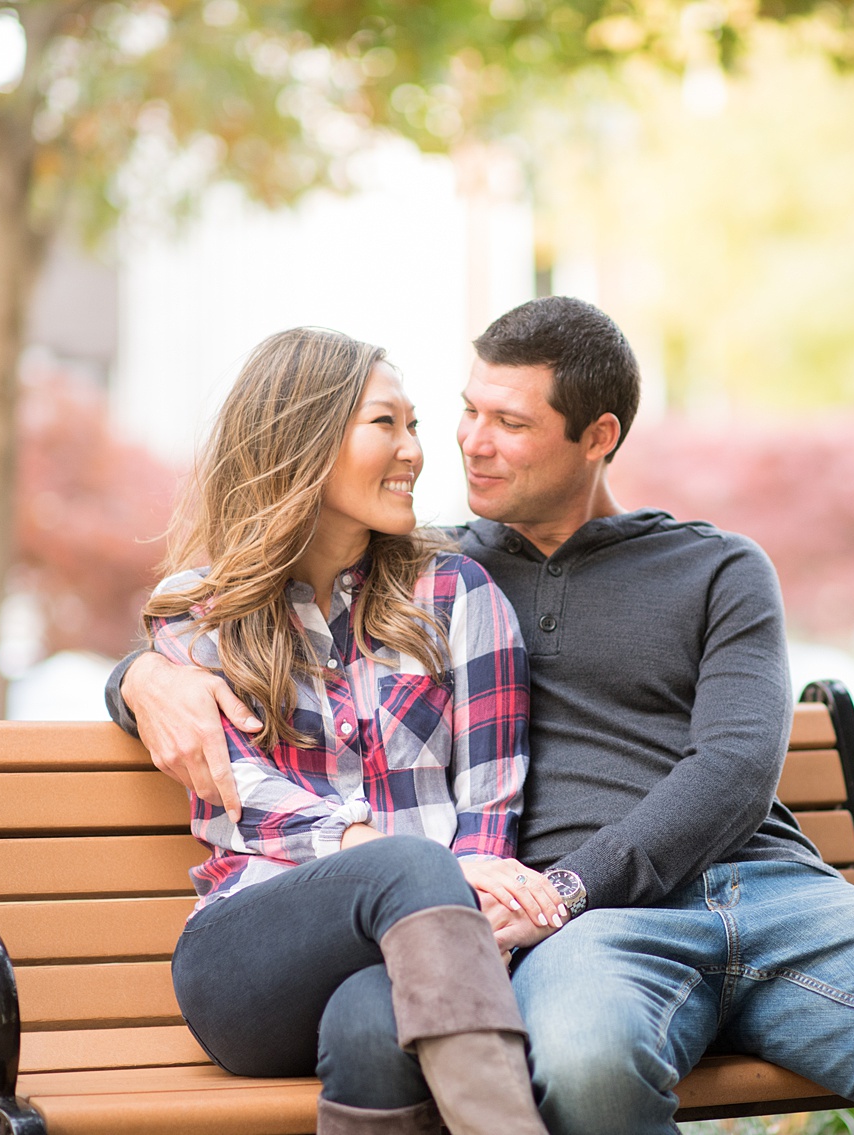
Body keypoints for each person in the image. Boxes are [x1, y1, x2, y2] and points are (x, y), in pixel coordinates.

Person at [110, 299, 854, 1135]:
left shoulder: (715, 568)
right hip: (590, 931)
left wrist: (561, 887)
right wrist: (142, 675)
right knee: (586, 1067)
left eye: (509, 422)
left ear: (598, 435)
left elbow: (733, 766)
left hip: (760, 893)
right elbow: (243, 601)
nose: (466, 443)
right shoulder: (430, 571)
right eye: (467, 412)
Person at [138, 327, 553, 1135]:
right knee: (406, 862)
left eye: (414, 425)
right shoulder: (201, 609)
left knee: (370, 1022)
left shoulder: (458, 595)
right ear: (305, 439)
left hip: (423, 960)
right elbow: (240, 793)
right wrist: (369, 842)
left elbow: (490, 809)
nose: (415, 451)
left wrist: (448, 876)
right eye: (384, 424)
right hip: (247, 957)